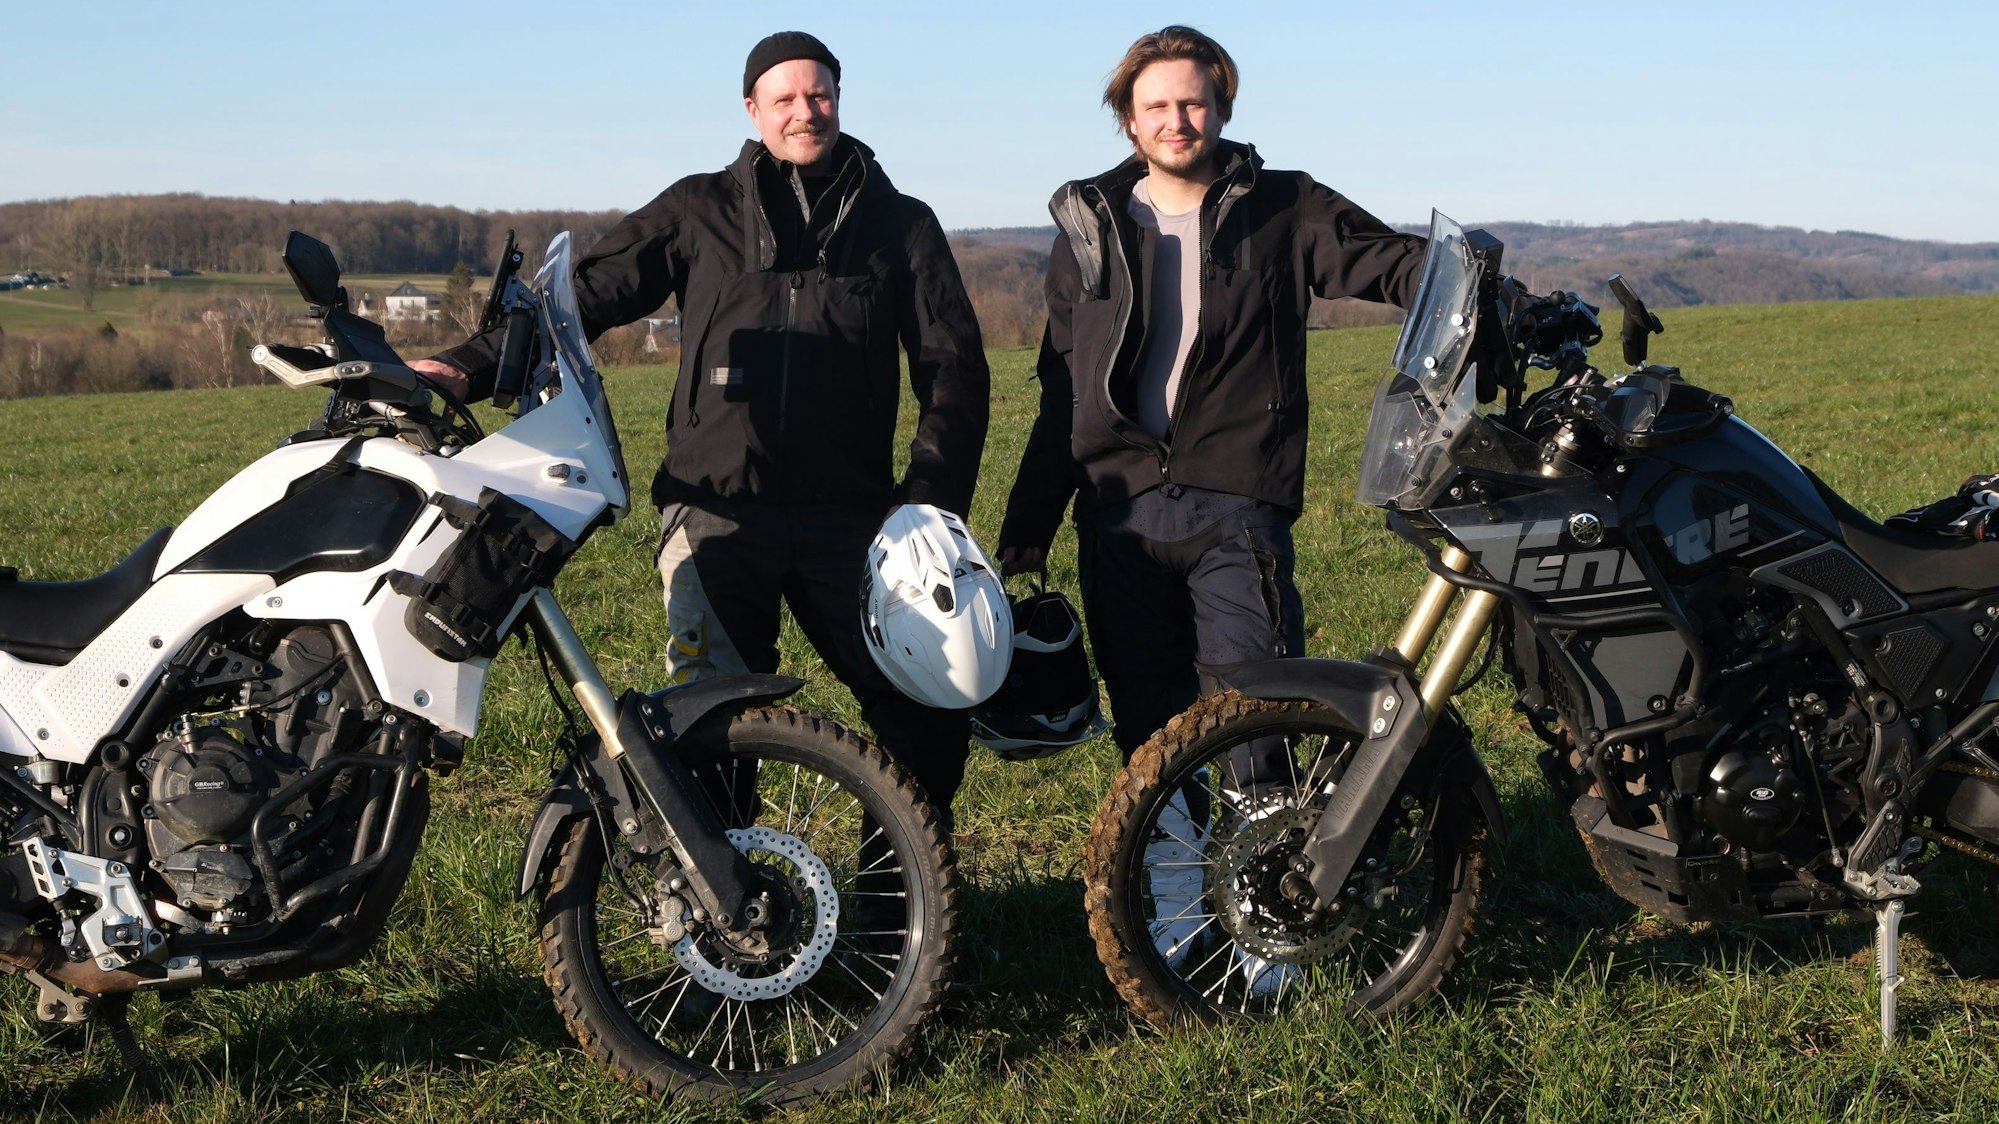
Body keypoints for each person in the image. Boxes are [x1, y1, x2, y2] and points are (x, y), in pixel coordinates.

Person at [412, 32, 990, 818]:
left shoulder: (900, 225)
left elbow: (953, 369)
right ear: (752, 110)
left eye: (817, 94)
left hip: (854, 521)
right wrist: (467, 364)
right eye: (783, 98)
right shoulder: (698, 208)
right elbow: (588, 295)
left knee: (925, 712)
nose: (803, 111)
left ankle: (901, 906)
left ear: (839, 100)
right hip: (716, 513)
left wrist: (926, 500)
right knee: (712, 725)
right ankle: (732, 918)